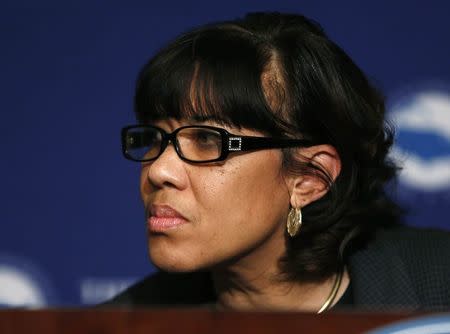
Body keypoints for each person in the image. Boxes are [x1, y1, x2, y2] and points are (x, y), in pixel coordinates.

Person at [109, 12, 450, 312]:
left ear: (309, 178)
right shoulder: (115, 324)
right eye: (156, 137)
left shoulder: (437, 287)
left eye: (208, 140)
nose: (158, 170)